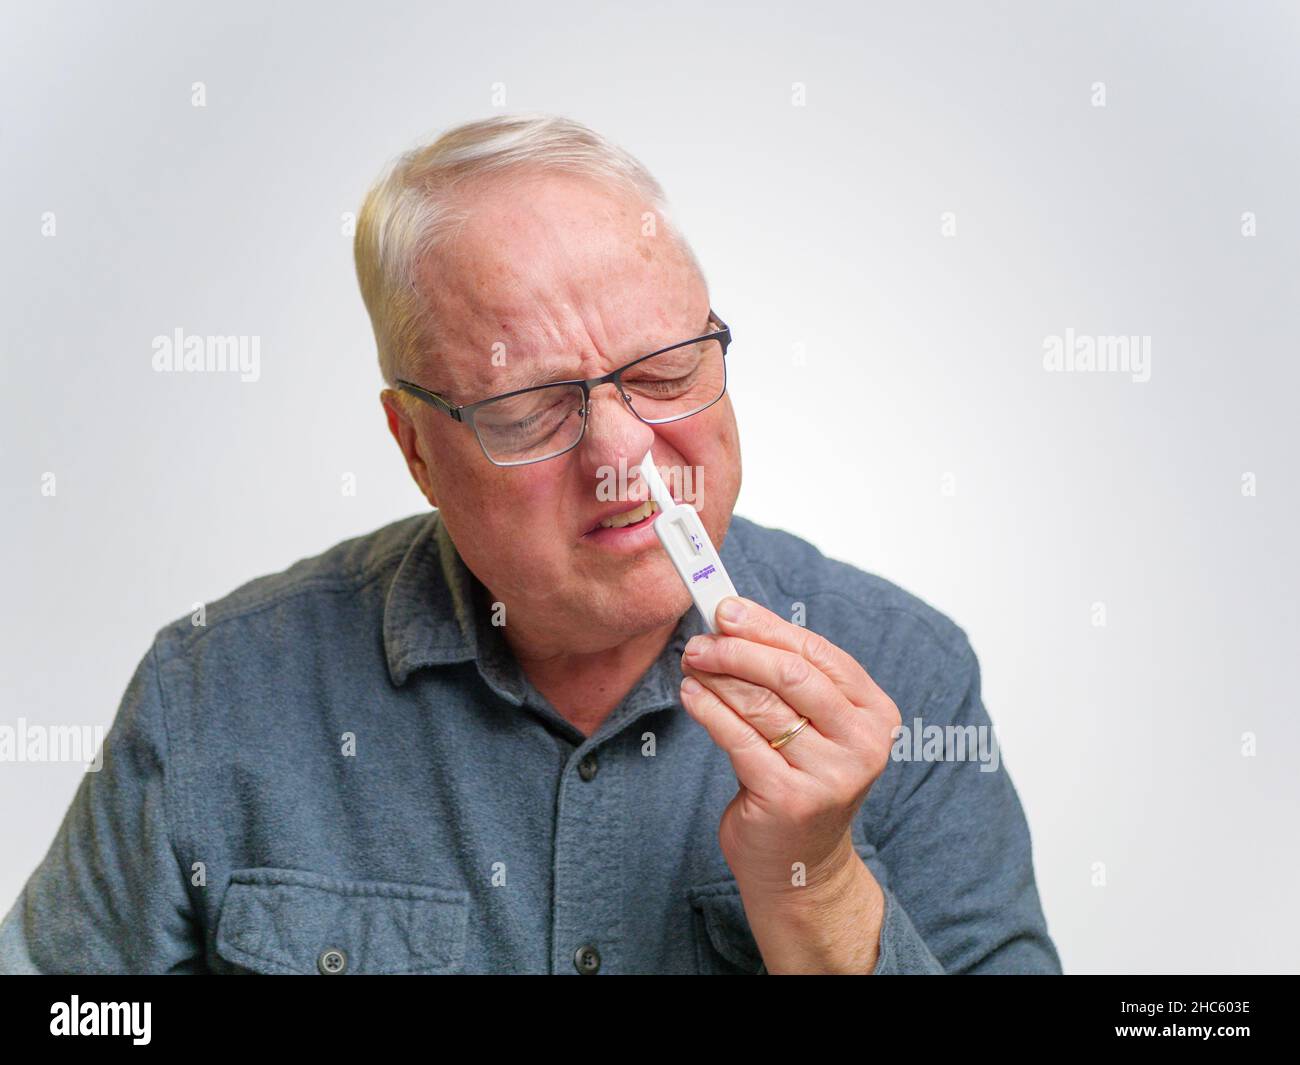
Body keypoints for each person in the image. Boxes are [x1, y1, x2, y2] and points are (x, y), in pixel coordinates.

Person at [0, 114, 1060, 974]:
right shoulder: (213, 696)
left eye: (663, 371)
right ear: (415, 446)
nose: (626, 457)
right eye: (526, 411)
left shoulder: (908, 674)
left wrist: (815, 885)